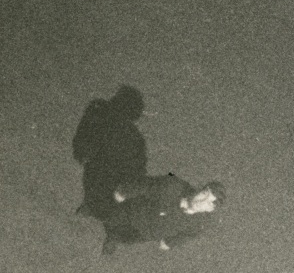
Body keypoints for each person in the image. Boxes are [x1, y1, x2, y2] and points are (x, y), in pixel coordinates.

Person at [72, 85, 149, 225]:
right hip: (108, 167)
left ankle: (92, 206)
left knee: (93, 183)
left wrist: (81, 152)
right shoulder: (133, 136)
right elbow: (138, 166)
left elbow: (83, 130)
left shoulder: (98, 108)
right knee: (101, 190)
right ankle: (97, 210)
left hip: (95, 161)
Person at [102, 175, 226, 254]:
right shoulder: (173, 186)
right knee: (111, 219)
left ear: (210, 210)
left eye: (209, 203)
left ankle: (113, 239)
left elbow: (188, 235)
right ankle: (95, 209)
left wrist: (169, 243)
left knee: (127, 238)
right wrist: (125, 192)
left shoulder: (200, 224)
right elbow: (146, 185)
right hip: (132, 213)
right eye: (204, 194)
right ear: (199, 189)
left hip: (147, 234)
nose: (201, 202)